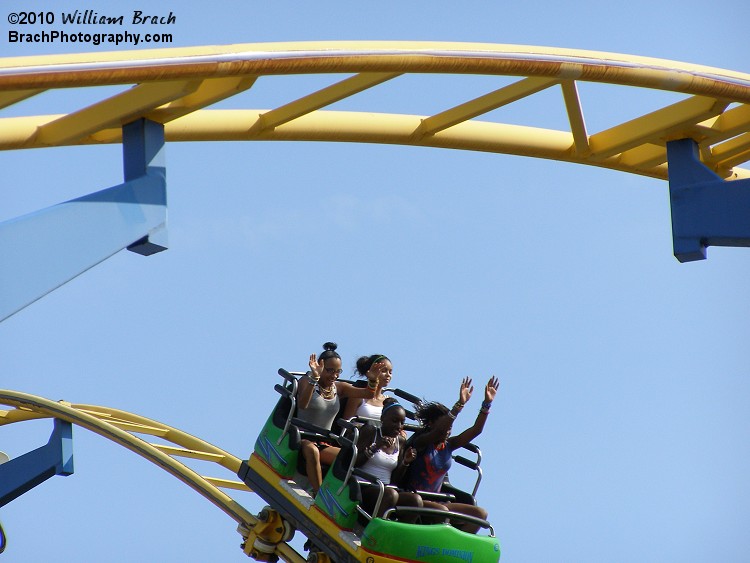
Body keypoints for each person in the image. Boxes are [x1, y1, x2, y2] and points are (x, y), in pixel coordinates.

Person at [402, 375, 500, 533]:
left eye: (451, 427)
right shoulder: (421, 442)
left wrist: (486, 404)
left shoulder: (449, 445)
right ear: (431, 424)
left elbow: (476, 430)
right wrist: (460, 404)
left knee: (480, 514)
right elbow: (440, 429)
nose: (448, 430)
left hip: (439, 502)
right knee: (443, 512)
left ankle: (456, 551)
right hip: (415, 499)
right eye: (446, 425)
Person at [296, 342, 378, 493]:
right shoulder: (306, 381)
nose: (334, 375)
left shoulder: (338, 388)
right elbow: (303, 404)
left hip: (323, 441)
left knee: (349, 458)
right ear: (320, 366)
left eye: (338, 372)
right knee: (312, 451)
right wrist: (314, 378)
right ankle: (319, 494)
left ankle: (336, 494)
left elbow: (368, 394)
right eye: (330, 371)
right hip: (302, 438)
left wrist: (372, 380)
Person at [353, 397, 423, 518]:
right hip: (363, 487)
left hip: (386, 488)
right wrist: (375, 447)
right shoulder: (370, 431)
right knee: (391, 494)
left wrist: (405, 462)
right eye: (395, 421)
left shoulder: (400, 441)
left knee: (415, 500)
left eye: (402, 422)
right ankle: (374, 531)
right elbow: (353, 463)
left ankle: (401, 535)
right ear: (382, 419)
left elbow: (395, 480)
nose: (399, 426)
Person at [343, 354, 394, 421]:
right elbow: (346, 425)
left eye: (390, 372)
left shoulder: (389, 401)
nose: (388, 375)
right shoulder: (357, 396)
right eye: (383, 371)